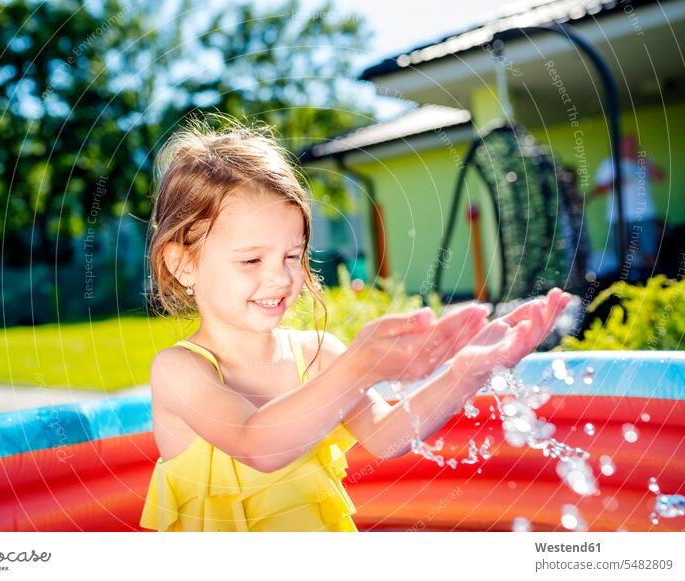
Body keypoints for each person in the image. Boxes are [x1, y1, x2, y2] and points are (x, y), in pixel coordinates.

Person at [139, 115, 570, 532]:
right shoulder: (181, 371)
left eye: (292, 255)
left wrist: (467, 372)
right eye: (251, 259)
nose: (281, 277)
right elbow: (257, 444)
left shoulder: (318, 354)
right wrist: (362, 365)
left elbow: (387, 436)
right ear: (182, 264)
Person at [591, 134, 665, 279]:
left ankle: (653, 283)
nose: (632, 148)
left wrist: (645, 163)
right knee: (621, 255)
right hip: (617, 217)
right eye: (627, 145)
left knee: (649, 252)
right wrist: (615, 182)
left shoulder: (644, 160)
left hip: (645, 214)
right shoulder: (609, 164)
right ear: (619, 147)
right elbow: (597, 191)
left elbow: (661, 178)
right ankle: (625, 286)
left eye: (633, 145)